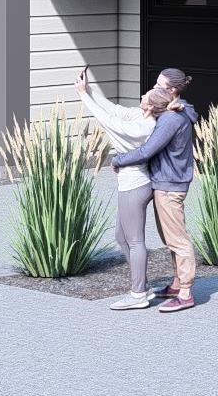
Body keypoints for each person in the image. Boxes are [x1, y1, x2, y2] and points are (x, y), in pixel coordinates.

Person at [76, 69, 185, 311]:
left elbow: (108, 121)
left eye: (146, 96)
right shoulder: (142, 115)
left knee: (135, 241)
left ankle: (138, 293)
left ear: (150, 106)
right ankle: (142, 285)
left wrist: (84, 97)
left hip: (135, 186)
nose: (143, 95)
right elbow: (114, 110)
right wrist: (90, 89)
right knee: (120, 236)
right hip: (130, 184)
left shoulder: (143, 128)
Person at [113, 68, 199, 313]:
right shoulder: (176, 110)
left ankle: (185, 293)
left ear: (171, 90)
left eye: (160, 85)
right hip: (167, 184)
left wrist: (118, 160)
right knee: (169, 238)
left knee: (178, 240)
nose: (155, 87)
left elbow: (146, 151)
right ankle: (176, 283)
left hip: (170, 186)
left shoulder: (171, 119)